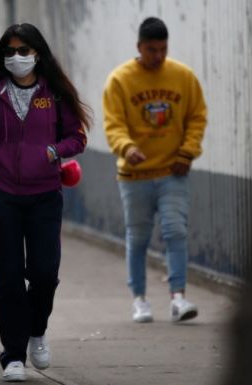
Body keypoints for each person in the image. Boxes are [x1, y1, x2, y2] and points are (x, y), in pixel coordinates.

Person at [0, 23, 91, 382]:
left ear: (38, 53)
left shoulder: (53, 93)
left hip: (44, 196)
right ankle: (13, 356)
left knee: (44, 273)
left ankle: (37, 330)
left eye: (24, 50)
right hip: (2, 194)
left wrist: (55, 150)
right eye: (10, 51)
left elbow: (77, 137)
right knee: (6, 279)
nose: (17, 57)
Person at [102, 17, 208, 324]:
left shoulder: (182, 76)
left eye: (163, 49)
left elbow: (197, 116)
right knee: (138, 237)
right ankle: (140, 299)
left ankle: (178, 297)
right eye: (151, 50)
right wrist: (126, 147)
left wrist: (187, 152)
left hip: (172, 171)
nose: (158, 56)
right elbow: (113, 123)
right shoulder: (120, 80)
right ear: (139, 47)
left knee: (175, 231)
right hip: (134, 176)